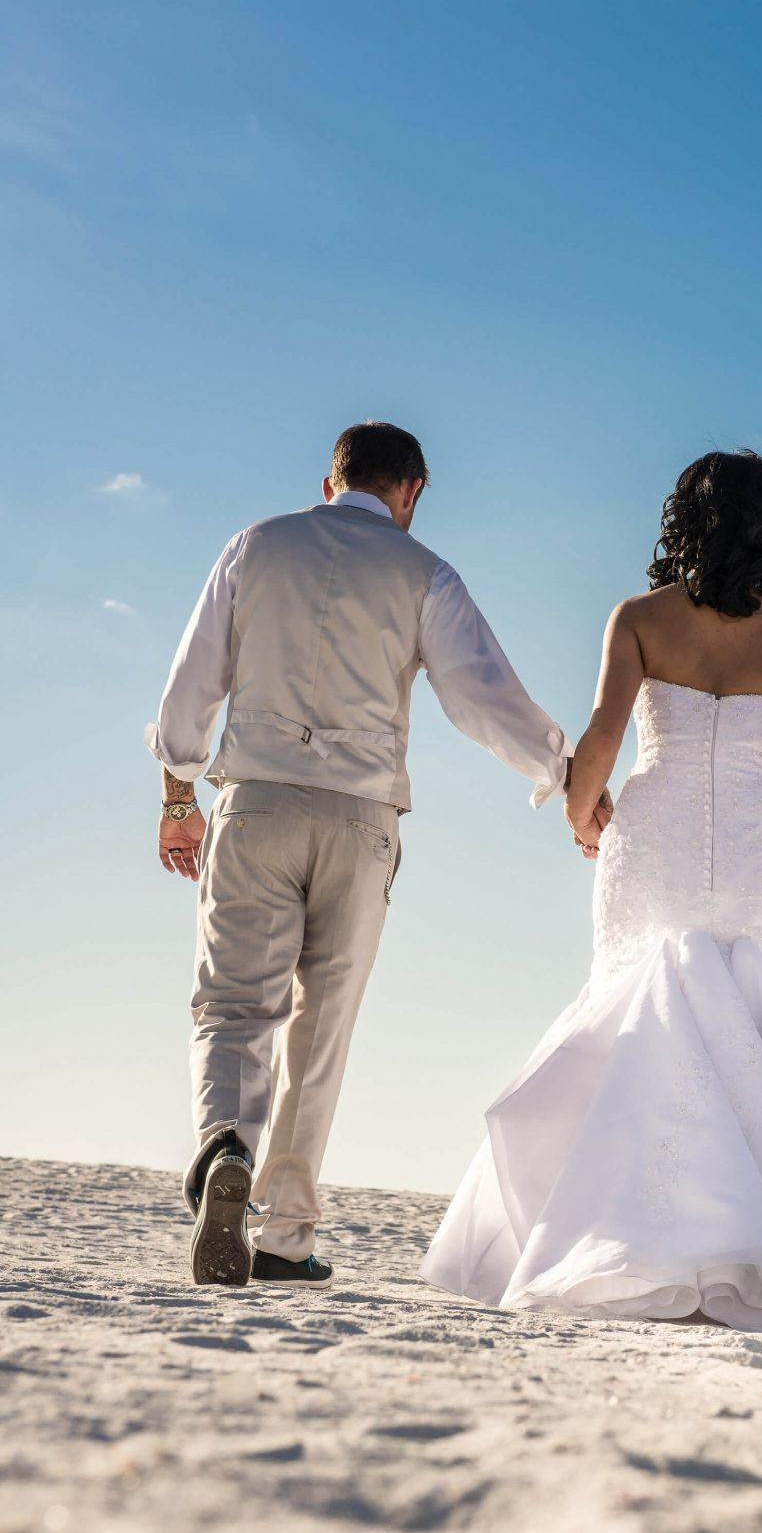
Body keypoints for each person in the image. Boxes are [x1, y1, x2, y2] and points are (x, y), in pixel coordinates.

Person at [421, 450, 762, 1335]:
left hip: (649, 836)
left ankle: (620, 1239)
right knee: (735, 1016)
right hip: (752, 844)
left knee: (637, 1013)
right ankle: (742, 1253)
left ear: (681, 520)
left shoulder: (641, 617)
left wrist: (581, 814)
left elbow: (606, 732)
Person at [146, 421, 595, 1288]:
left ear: (329, 482)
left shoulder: (254, 547)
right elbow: (482, 696)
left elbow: (191, 685)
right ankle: (283, 1238)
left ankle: (223, 1148)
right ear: (412, 494)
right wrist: (565, 773)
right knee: (324, 1026)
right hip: (360, 820)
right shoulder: (425, 572)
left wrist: (177, 798)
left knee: (236, 1004)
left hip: (256, 803)